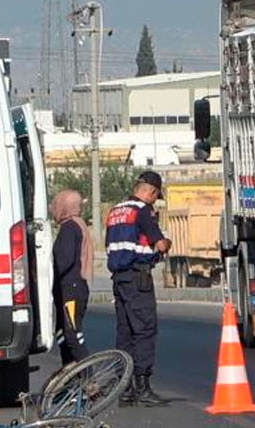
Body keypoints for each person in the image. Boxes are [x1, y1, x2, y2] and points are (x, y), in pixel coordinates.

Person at [105, 170, 172, 407]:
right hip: (137, 278)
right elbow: (160, 244)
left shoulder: (115, 211)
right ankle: (143, 387)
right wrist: (167, 243)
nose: (154, 201)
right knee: (144, 330)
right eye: (155, 196)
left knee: (125, 333)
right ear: (151, 192)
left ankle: (124, 389)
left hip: (118, 278)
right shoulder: (143, 211)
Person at [51, 189, 93, 365]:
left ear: (64, 206)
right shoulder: (77, 225)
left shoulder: (70, 227)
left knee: (72, 334)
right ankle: (69, 374)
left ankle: (88, 376)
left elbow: (65, 259)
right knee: (62, 333)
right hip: (70, 289)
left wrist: (50, 275)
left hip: (71, 290)